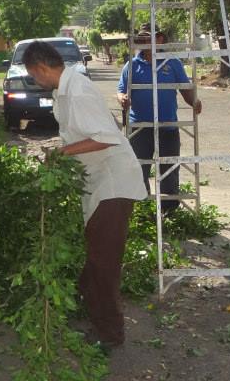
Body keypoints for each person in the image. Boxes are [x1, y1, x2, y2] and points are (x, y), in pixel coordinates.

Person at [21, 40, 147, 351]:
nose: (35, 81)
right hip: (99, 184)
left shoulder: (76, 91)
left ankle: (110, 335)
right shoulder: (64, 91)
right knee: (95, 260)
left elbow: (104, 137)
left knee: (103, 264)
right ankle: (94, 315)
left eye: (33, 76)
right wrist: (64, 151)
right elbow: (80, 134)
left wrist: (62, 153)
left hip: (113, 184)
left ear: (41, 68)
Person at [117, 23, 202, 211]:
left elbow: (185, 89)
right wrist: (122, 98)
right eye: (143, 39)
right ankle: (143, 208)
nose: (147, 42)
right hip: (139, 127)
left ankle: (168, 209)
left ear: (160, 39)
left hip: (168, 126)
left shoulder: (172, 63)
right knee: (138, 169)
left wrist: (194, 102)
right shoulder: (131, 66)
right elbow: (121, 90)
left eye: (151, 38)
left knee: (169, 169)